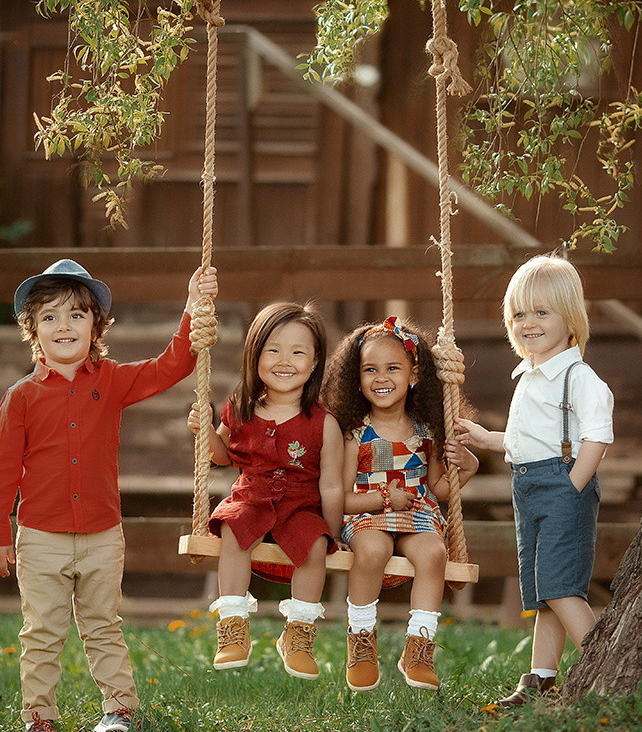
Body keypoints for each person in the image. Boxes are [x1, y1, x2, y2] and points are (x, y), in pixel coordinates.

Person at [0, 258, 217, 732]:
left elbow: (172, 365)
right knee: (42, 631)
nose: (63, 326)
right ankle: (40, 721)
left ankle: (120, 709)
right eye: (49, 317)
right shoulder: (20, 397)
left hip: (102, 535)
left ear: (96, 326)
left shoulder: (110, 380)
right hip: (40, 536)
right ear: (33, 330)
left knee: (103, 624)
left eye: (75, 316)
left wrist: (193, 307)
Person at [455, 254, 613, 708]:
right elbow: (530, 439)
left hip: (563, 487)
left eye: (542, 312)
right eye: (519, 314)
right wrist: (487, 438)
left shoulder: (579, 378)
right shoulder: (530, 376)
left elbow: (597, 435)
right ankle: (541, 678)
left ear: (571, 319)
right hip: (527, 487)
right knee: (543, 590)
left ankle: (605, 661)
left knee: (561, 585)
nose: (529, 323)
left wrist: (573, 485)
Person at [188, 302, 344, 680]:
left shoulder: (323, 423)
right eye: (272, 349)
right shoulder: (241, 407)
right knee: (232, 527)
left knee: (316, 544)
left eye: (297, 351)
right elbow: (223, 456)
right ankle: (233, 627)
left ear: (314, 360)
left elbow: (332, 484)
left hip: (300, 505)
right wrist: (205, 430)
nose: (284, 360)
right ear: (255, 355)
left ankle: (299, 633)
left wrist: (334, 533)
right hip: (251, 496)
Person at [323, 316, 479, 691]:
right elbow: (342, 497)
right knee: (373, 549)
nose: (381, 377)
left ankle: (419, 647)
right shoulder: (354, 435)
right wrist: (380, 499)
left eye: (393, 368)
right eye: (370, 370)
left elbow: (438, 489)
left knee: (434, 554)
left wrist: (469, 466)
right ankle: (360, 642)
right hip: (366, 516)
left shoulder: (428, 431)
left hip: (418, 515)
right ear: (356, 381)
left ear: (413, 376)